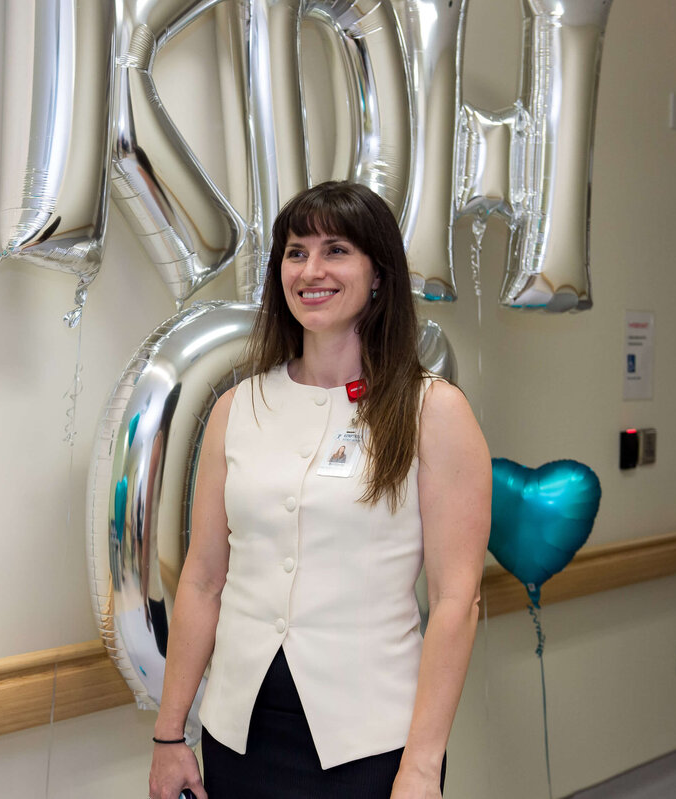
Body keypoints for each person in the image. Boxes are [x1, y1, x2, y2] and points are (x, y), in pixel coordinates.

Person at [147, 181, 491, 799]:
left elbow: (454, 601)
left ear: (378, 273)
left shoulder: (431, 411)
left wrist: (422, 764)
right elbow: (201, 579)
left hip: (372, 744)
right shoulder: (236, 407)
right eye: (296, 251)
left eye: (336, 250)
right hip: (238, 734)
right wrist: (171, 735)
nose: (312, 270)